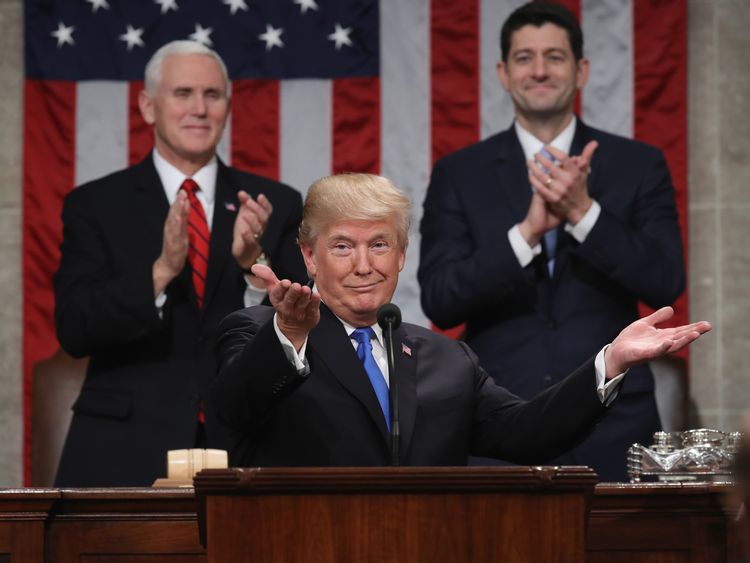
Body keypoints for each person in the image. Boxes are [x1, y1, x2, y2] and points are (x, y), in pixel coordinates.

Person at [213, 173, 708, 468]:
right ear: (310, 256)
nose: (364, 265)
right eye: (343, 247)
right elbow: (232, 413)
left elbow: (526, 432)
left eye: (379, 244)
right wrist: (290, 334)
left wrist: (612, 360)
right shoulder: (261, 334)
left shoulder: (447, 359)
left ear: (402, 255)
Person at [418, 2, 685, 481]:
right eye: (524, 58)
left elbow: (665, 281)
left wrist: (583, 213)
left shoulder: (638, 164)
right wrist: (527, 234)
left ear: (580, 70)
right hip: (497, 422)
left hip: (614, 422)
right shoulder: (460, 173)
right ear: (502, 72)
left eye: (554, 57)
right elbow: (441, 299)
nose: (539, 70)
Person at [53, 40, 307, 486]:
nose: (200, 109)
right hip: (124, 448)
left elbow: (301, 331)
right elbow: (74, 327)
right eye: (183, 93)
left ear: (227, 107)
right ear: (149, 106)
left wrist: (254, 264)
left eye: (212, 95)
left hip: (245, 443)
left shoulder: (276, 204)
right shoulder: (95, 205)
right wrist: (160, 273)